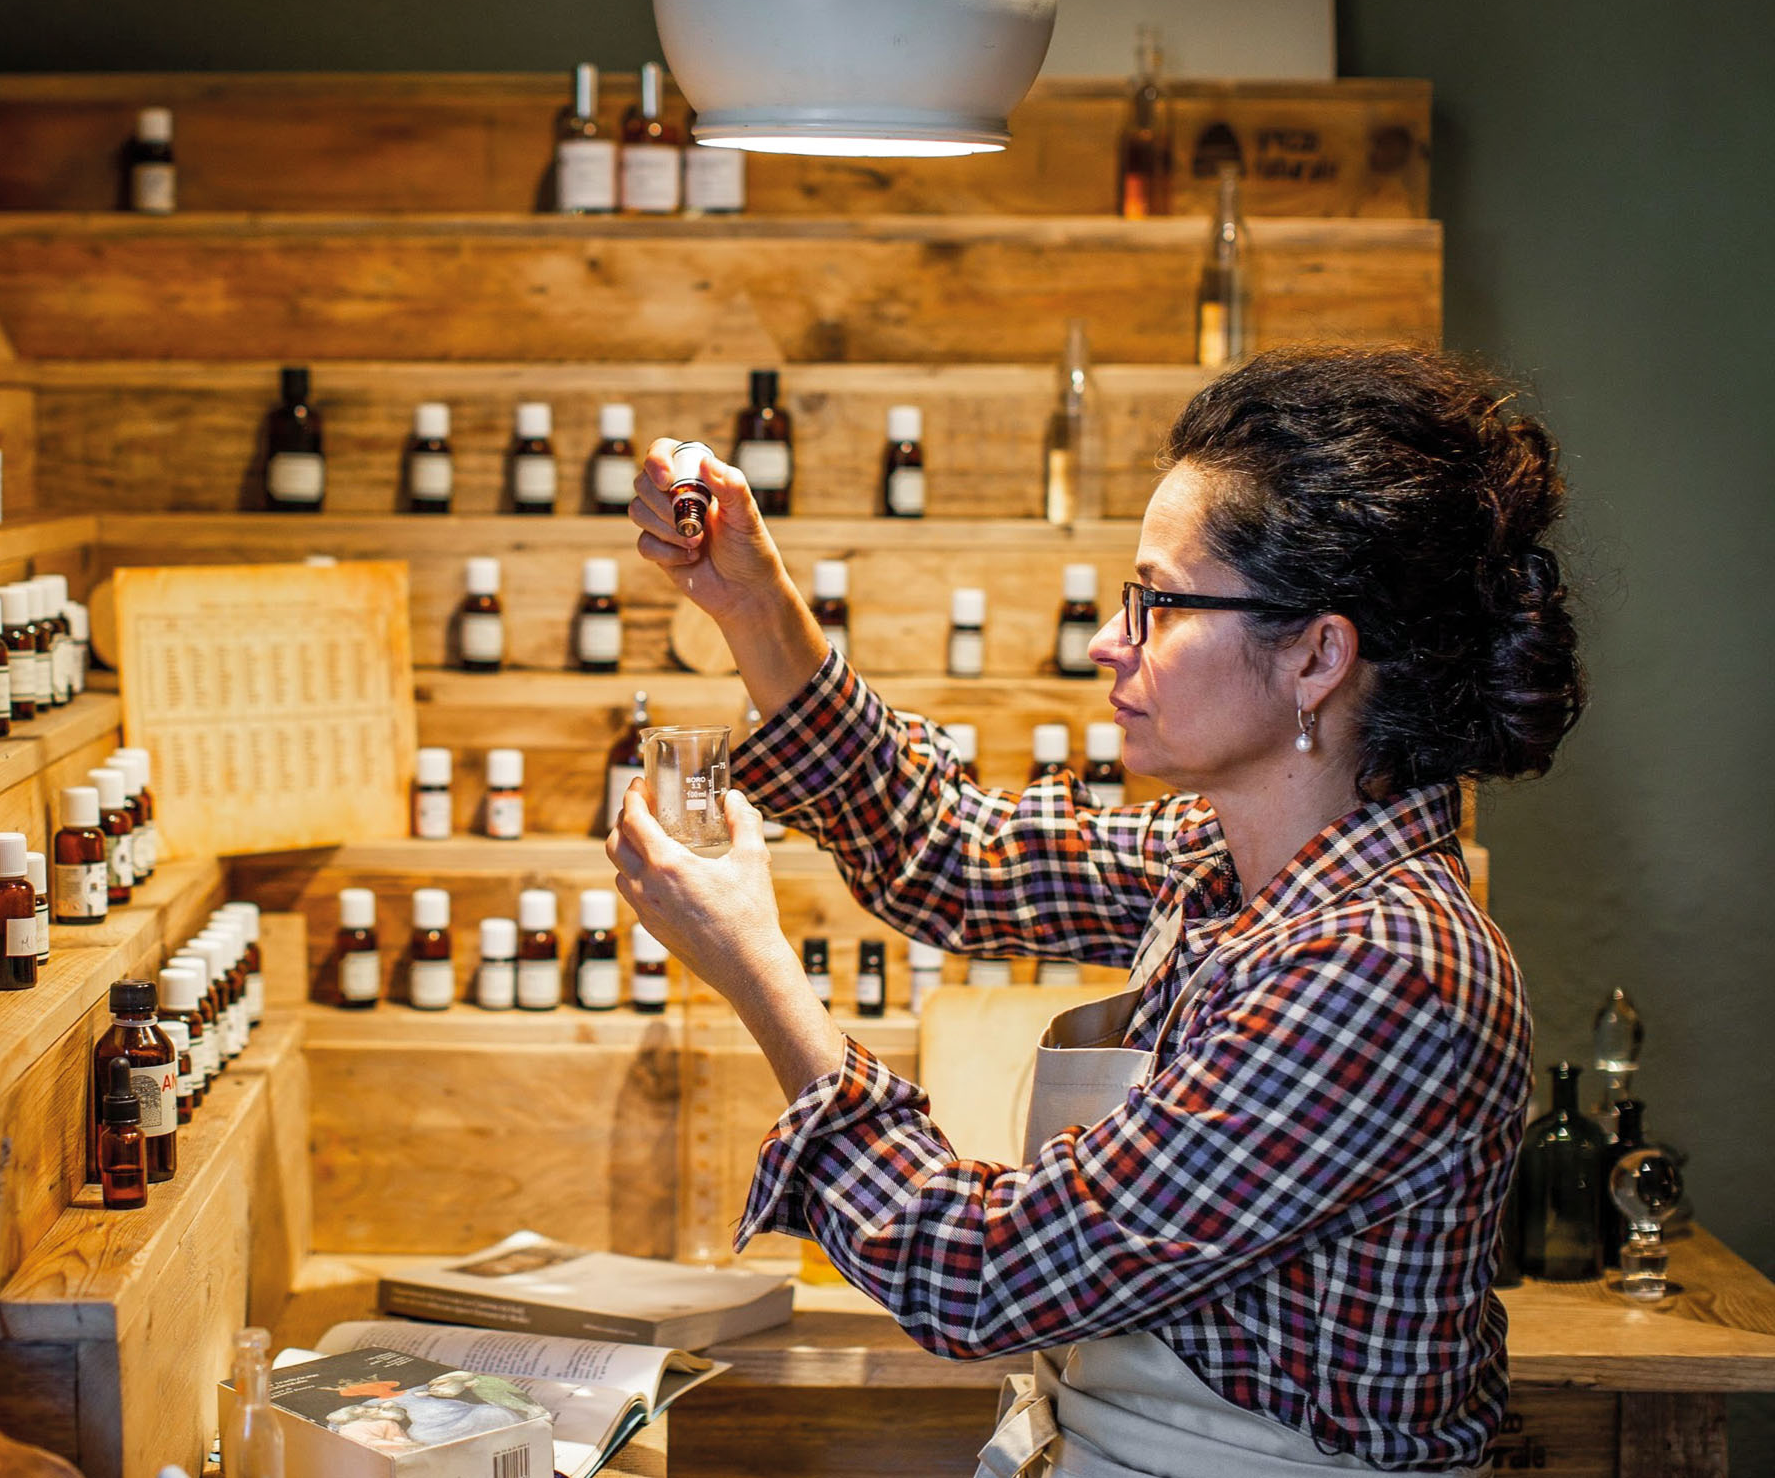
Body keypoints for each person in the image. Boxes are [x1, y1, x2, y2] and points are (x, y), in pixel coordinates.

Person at [606, 346, 1583, 1476]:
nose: (1108, 641)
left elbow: (985, 1276)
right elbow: (950, 853)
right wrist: (754, 606)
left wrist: (757, 968)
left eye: (1159, 605)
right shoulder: (1223, 867)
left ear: (1318, 654)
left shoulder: (1389, 968)